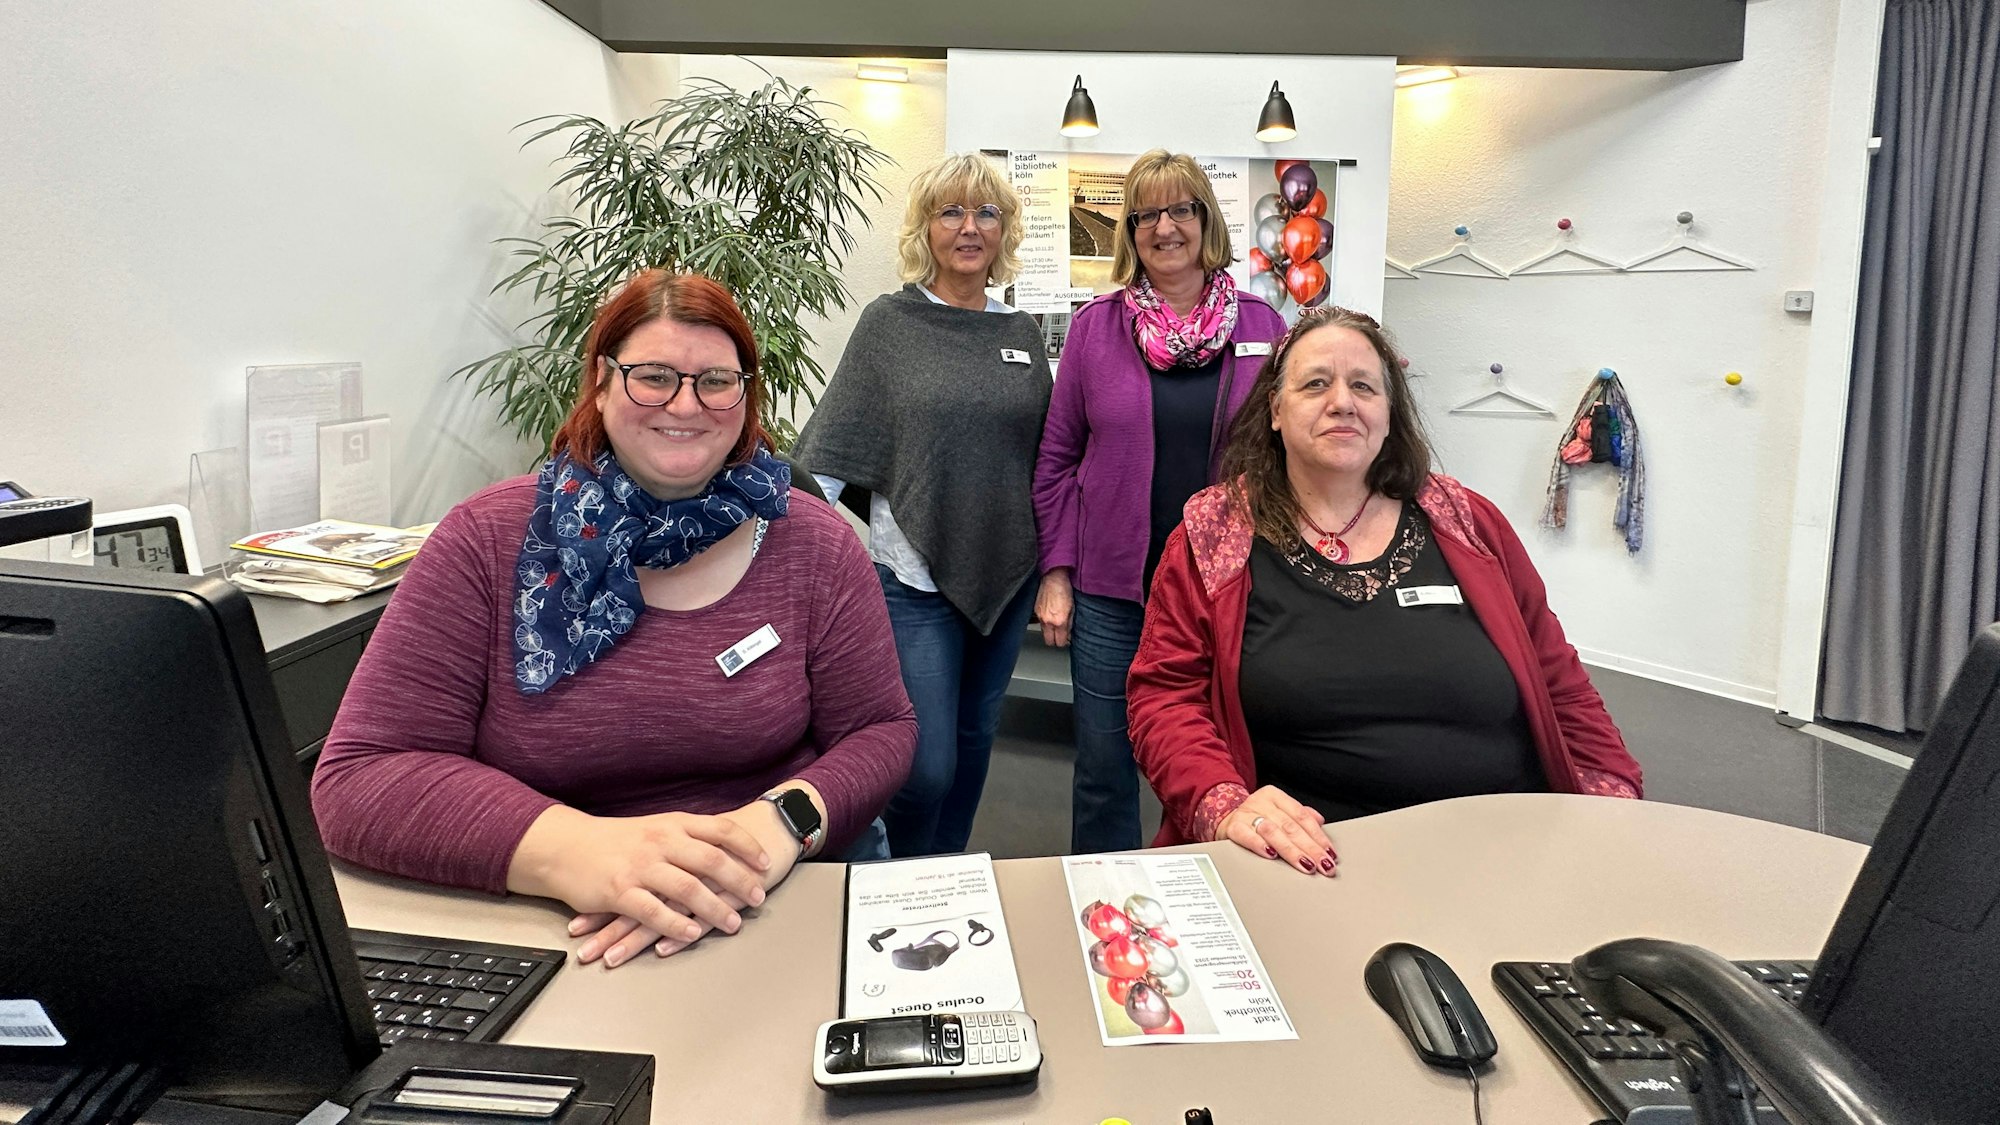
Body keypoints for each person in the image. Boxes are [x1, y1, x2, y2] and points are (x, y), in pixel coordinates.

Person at [311, 270, 916, 967]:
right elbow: (361, 776)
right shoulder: (487, 540)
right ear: (601, 382)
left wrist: (782, 822)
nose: (686, 405)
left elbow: (880, 730)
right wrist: (582, 850)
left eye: (716, 380)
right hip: (559, 925)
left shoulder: (812, 542)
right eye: (652, 376)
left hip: (766, 902)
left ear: (745, 397)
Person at [1127, 306, 1643, 876]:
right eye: (1315, 383)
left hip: (1503, 850)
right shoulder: (1216, 531)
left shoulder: (1468, 521)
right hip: (1313, 863)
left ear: (1389, 412)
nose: (1342, 402)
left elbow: (1559, 681)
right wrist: (1224, 805)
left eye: (1364, 386)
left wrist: (1612, 807)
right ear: (1275, 409)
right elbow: (1164, 697)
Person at [794, 153, 1052, 857]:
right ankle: (898, 876)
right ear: (926, 228)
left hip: (1006, 577)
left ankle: (947, 873)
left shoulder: (1022, 334)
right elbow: (830, 450)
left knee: (973, 748)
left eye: (986, 213)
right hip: (913, 579)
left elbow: (1042, 457)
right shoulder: (890, 322)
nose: (969, 228)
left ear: (1005, 231)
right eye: (951, 212)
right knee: (925, 762)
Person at [1032, 150, 1288, 854]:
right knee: (1104, 768)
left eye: (1181, 209)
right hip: (1114, 589)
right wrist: (1056, 574)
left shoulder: (1264, 329)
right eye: (1146, 213)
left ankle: (1223, 900)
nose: (1165, 226)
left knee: (1225, 767)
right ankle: (1107, 903)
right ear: (1130, 231)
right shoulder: (1094, 328)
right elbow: (1056, 459)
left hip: (1231, 589)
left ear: (1206, 220)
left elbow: (1287, 461)